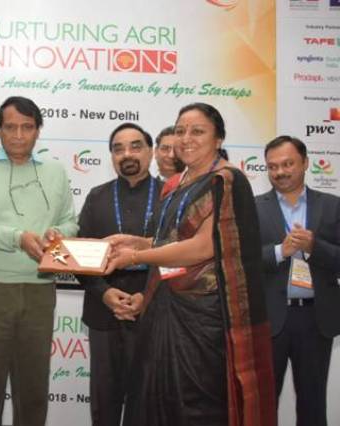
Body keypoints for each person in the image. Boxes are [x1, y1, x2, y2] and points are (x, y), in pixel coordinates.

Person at [106, 102, 276, 426]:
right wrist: (134, 242)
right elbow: (171, 243)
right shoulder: (178, 185)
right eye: (181, 130)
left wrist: (135, 257)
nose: (186, 138)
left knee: (196, 410)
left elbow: (202, 247)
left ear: (218, 139)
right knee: (153, 405)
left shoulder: (226, 181)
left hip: (203, 321)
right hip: (163, 311)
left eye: (197, 131)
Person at [0, 96, 78, 426]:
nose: (19, 135)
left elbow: (70, 221)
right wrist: (16, 237)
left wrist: (58, 234)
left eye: (27, 127)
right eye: (10, 127)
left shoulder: (55, 170)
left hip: (40, 286)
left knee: (34, 384)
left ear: (38, 131)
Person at [76, 122, 161, 426]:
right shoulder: (96, 196)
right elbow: (80, 257)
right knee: (104, 402)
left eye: (136, 146)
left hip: (154, 313)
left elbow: (177, 255)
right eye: (118, 148)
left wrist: (146, 297)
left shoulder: (171, 195)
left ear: (151, 151)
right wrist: (104, 293)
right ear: (111, 156)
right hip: (103, 311)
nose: (127, 154)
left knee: (147, 403)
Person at [256, 135, 340, 426]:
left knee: (313, 405)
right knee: (263, 406)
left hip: (316, 319)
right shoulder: (253, 207)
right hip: (269, 318)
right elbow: (242, 261)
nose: (280, 172)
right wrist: (281, 251)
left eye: (288, 164)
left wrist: (315, 247)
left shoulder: (333, 206)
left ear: (305, 163)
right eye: (272, 166)